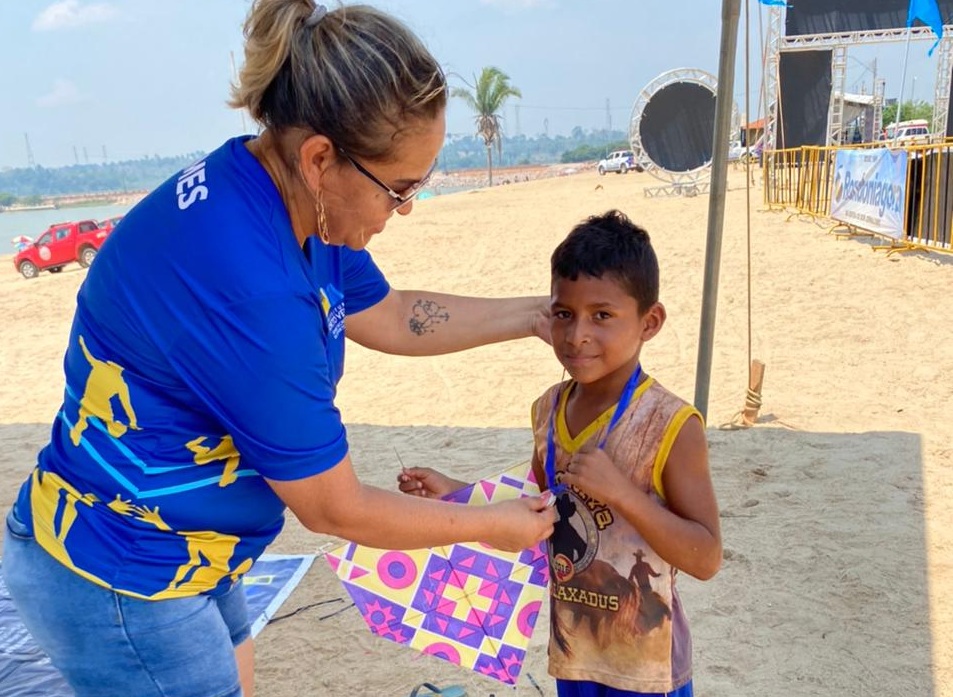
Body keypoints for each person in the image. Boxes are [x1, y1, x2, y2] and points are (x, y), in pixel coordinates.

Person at [1, 3, 556, 696]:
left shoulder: (283, 195)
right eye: (400, 189)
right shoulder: (252, 287)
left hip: (189, 545)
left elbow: (386, 312)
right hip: (122, 570)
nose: (404, 209)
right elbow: (334, 506)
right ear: (321, 157)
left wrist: (538, 316)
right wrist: (486, 525)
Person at [399, 210, 722, 697]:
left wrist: (624, 495)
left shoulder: (672, 426)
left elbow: (706, 557)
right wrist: (458, 493)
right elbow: (537, 512)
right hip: (576, 653)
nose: (577, 336)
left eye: (603, 316)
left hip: (647, 666)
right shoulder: (549, 409)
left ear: (649, 322)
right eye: (563, 314)